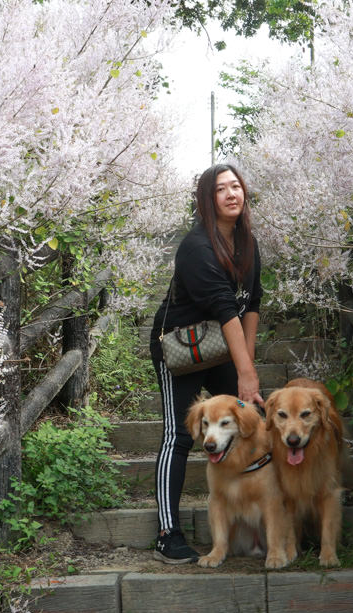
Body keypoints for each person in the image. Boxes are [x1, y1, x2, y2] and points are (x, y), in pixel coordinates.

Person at [148, 164, 265, 564]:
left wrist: (244, 368)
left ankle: (251, 525)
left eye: (236, 186)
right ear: (206, 199)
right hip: (181, 349)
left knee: (244, 424)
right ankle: (167, 532)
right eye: (221, 189)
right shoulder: (197, 247)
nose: (232, 194)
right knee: (179, 435)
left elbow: (251, 306)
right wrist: (246, 375)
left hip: (221, 347)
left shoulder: (248, 243)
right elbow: (225, 308)